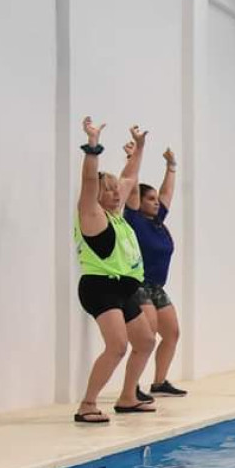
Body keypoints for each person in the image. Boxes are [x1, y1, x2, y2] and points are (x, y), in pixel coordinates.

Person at [73, 117, 157, 423]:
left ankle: (127, 397)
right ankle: (87, 404)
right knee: (118, 346)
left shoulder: (116, 216)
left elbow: (130, 178)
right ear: (96, 196)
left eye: (115, 191)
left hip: (123, 288)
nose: (116, 194)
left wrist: (141, 147)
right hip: (99, 286)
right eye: (108, 191)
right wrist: (92, 147)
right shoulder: (91, 214)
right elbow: (88, 182)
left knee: (146, 342)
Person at [125, 146, 186, 400]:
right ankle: (132, 387)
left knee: (172, 334)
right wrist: (133, 156)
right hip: (138, 285)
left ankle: (159, 382)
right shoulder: (134, 220)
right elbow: (130, 186)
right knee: (145, 338)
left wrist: (171, 166)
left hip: (157, 287)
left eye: (155, 199)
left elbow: (167, 192)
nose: (156, 202)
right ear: (138, 201)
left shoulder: (157, 221)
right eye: (150, 199)